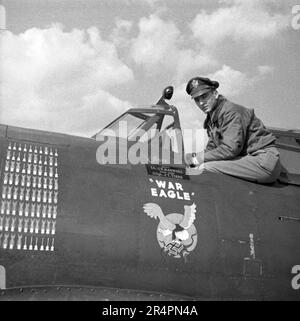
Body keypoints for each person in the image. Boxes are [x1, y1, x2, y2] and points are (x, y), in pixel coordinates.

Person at [185, 76, 281, 184]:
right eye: (197, 100)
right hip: (247, 159)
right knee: (195, 167)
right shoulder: (212, 119)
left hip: (261, 161)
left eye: (204, 96)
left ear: (215, 93)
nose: (201, 103)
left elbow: (230, 149)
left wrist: (196, 159)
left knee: (205, 168)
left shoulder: (231, 112)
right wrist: (189, 159)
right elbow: (211, 150)